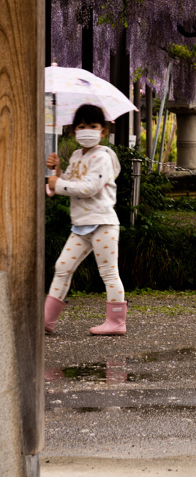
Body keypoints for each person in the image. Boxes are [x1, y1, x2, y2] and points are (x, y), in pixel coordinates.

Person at [44, 103, 126, 336]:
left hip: (103, 223)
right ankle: (47, 320)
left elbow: (89, 188)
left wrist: (58, 184)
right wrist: (58, 171)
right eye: (81, 126)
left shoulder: (103, 157)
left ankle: (117, 322)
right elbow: (71, 180)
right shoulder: (77, 155)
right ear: (74, 131)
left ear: (103, 131)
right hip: (81, 224)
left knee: (108, 272)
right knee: (62, 267)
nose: (87, 130)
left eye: (93, 126)